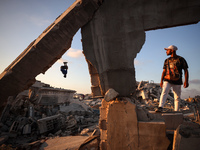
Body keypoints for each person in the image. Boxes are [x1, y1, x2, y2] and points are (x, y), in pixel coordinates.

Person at [156, 45, 189, 112]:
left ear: (172, 50)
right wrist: (161, 81)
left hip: (177, 80)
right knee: (164, 91)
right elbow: (164, 71)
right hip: (167, 79)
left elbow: (186, 70)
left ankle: (176, 111)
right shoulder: (166, 60)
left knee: (177, 96)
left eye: (167, 50)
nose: (166, 52)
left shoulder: (181, 59)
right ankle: (160, 107)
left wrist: (186, 81)